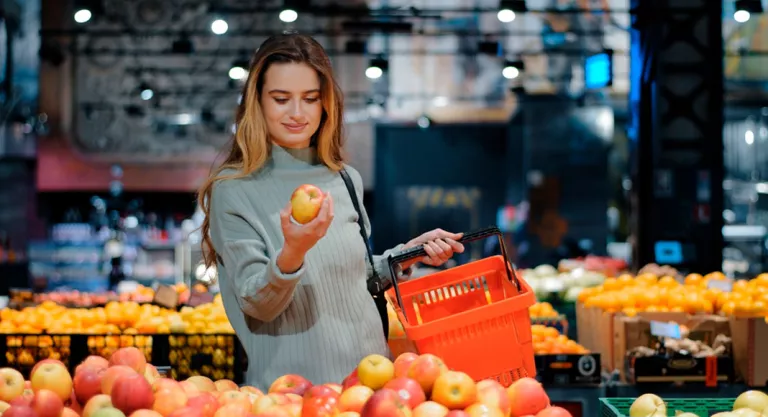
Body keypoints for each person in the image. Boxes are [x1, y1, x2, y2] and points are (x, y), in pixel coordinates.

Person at [197, 33, 465, 391]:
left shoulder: (344, 178)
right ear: (256, 103)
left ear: (326, 104)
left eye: (310, 98)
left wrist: (407, 253)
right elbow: (256, 304)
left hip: (371, 390)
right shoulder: (233, 189)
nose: (297, 113)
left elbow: (356, 278)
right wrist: (294, 251)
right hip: (292, 398)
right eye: (281, 99)